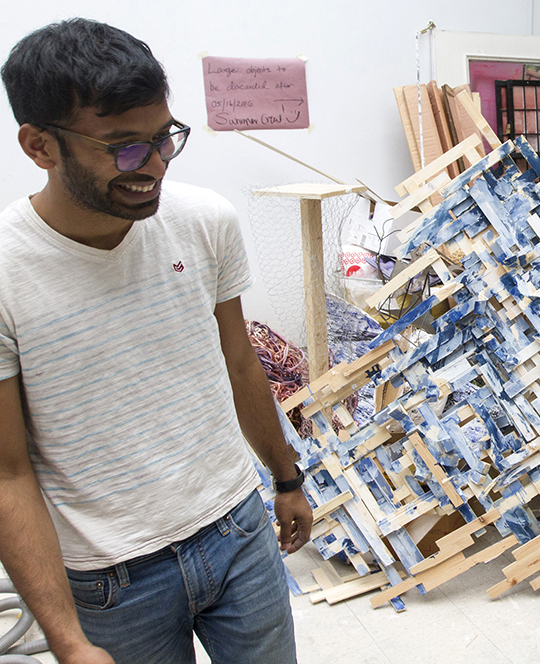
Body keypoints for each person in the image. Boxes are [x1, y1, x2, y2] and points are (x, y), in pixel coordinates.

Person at [0, 19, 312, 663]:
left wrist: (286, 478)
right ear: (40, 146)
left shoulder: (203, 221)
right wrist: (66, 639)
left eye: (164, 138)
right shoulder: (8, 270)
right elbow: (8, 472)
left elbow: (239, 364)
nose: (154, 166)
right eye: (123, 148)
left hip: (237, 531)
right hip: (110, 578)